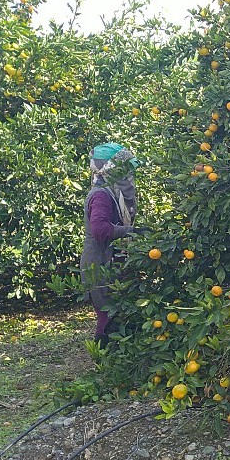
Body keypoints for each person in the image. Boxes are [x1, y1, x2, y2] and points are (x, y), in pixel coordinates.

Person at [80, 142, 142, 347]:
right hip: (99, 264)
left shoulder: (110, 193)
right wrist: (132, 232)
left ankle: (108, 364)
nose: (129, 177)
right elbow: (100, 230)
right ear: (112, 170)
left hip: (107, 262)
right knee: (109, 317)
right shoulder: (101, 195)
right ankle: (105, 363)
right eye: (125, 171)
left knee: (112, 315)